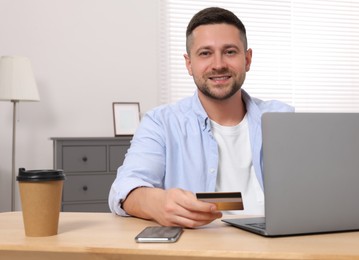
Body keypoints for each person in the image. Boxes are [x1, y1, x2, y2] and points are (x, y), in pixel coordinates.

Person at [109, 7, 294, 228]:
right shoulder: (161, 123)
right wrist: (157, 202)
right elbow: (124, 189)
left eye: (230, 52)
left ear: (247, 59)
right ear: (189, 63)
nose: (218, 64)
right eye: (205, 53)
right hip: (199, 245)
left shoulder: (282, 118)